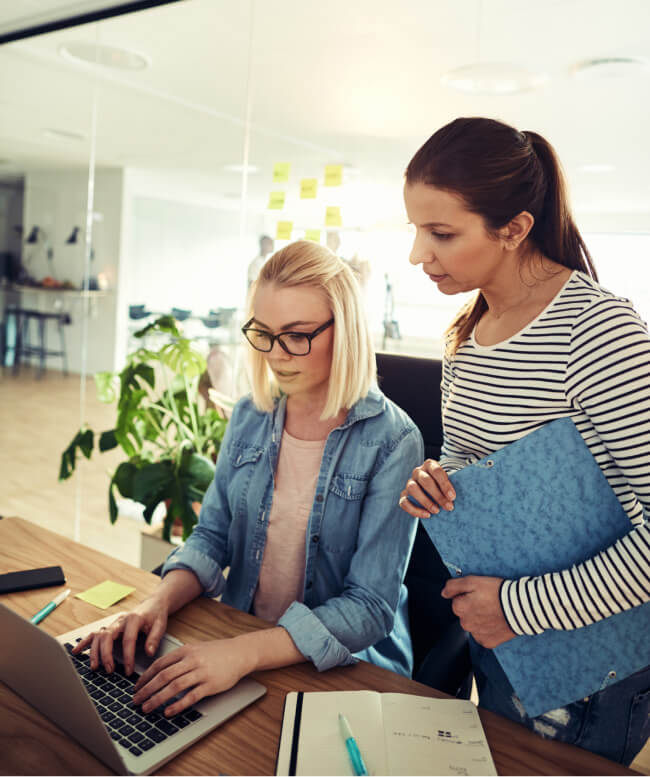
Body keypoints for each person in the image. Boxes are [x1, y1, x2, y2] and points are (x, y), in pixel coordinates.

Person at [74, 239, 422, 719]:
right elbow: (212, 536)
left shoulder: (393, 441)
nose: (277, 355)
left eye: (297, 335)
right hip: (239, 641)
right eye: (264, 333)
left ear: (346, 332)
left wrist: (243, 653)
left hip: (340, 668)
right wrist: (157, 603)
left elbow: (369, 607)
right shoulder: (249, 416)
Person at [399, 117, 650, 765]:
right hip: (497, 636)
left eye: (442, 233)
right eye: (415, 229)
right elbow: (469, 459)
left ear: (513, 229)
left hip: (588, 657)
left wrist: (518, 606)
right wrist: (439, 480)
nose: (417, 255)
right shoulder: (467, 331)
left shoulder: (597, 331)